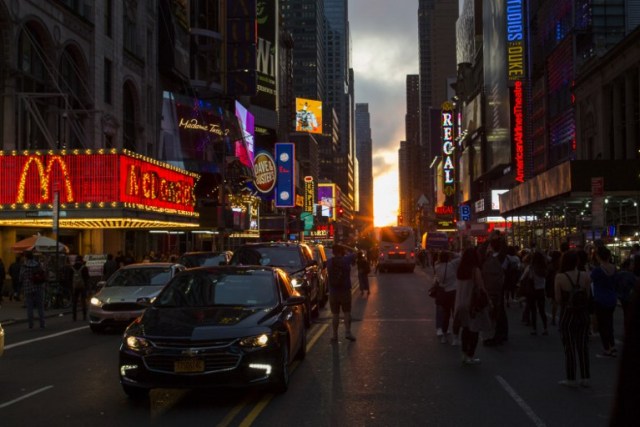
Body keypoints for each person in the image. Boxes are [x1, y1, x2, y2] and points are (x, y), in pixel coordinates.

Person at [555, 250, 592, 388]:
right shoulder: (585, 275)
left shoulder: (560, 277)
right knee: (583, 346)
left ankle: (571, 378)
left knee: (569, 347)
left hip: (567, 315)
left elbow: (558, 299)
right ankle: (585, 376)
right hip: (583, 314)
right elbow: (588, 295)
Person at [453, 247, 491, 364]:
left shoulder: (460, 270)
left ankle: (464, 354)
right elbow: (481, 287)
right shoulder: (475, 270)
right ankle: (470, 355)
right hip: (472, 304)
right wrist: (489, 300)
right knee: (474, 330)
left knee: (465, 329)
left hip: (461, 303)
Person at [591, 246, 618, 358]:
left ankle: (606, 349)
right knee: (609, 323)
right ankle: (612, 346)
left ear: (598, 257)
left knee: (602, 324)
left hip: (600, 298)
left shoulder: (597, 270)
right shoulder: (614, 268)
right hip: (612, 298)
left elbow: (591, 279)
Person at [326, 244, 357, 342]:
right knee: (347, 313)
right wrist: (346, 246)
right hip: (345, 291)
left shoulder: (329, 262)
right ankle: (347, 332)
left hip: (333, 292)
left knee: (335, 315)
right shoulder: (346, 259)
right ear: (342, 251)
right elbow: (357, 252)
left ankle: (335, 335)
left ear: (333, 252)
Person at [481, 237, 507, 346]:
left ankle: (495, 336)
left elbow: (481, 250)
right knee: (497, 313)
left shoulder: (488, 259)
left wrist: (488, 240)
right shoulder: (499, 258)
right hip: (496, 289)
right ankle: (498, 335)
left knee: (493, 314)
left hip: (490, 290)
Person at [434, 251, 460, 344]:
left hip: (444, 293)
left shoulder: (437, 267)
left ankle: (444, 336)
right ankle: (456, 338)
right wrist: (452, 253)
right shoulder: (452, 265)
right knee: (455, 315)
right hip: (453, 291)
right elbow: (460, 257)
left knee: (446, 315)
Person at [19, 251, 46, 329]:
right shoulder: (37, 264)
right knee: (40, 306)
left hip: (28, 288)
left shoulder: (24, 266)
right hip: (38, 287)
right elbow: (43, 273)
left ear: (26, 257)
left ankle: (31, 324)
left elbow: (20, 278)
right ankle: (42, 323)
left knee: (29, 307)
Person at [526, 251, 549, 336]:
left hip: (533, 290)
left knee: (533, 310)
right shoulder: (544, 268)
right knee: (542, 310)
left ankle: (534, 329)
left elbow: (530, 278)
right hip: (541, 290)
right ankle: (545, 328)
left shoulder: (532, 268)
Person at [70, 255, 90, 321]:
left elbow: (70, 278)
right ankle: (84, 316)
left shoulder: (72, 267)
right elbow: (87, 278)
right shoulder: (84, 268)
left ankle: (74, 317)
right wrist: (87, 287)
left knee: (74, 301)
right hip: (82, 286)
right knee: (83, 301)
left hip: (75, 286)